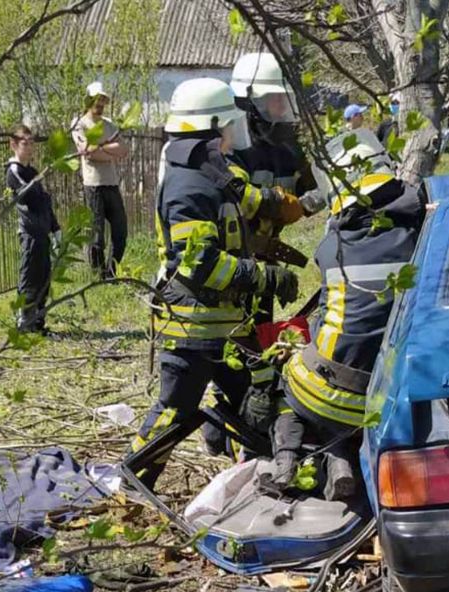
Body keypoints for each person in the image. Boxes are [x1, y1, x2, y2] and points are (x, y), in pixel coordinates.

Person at [130, 78, 301, 489]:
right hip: (194, 330)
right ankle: (131, 486)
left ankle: (264, 478)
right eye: (227, 126)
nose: (232, 134)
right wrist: (265, 277)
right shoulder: (188, 185)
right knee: (174, 412)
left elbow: (246, 205)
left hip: (226, 326)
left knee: (257, 399)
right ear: (210, 127)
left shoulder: (212, 171)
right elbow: (199, 264)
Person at [266, 129, 426, 501]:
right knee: (339, 398)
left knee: (286, 387)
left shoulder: (334, 246)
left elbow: (332, 314)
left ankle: (287, 459)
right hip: (386, 391)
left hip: (334, 392)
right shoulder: (422, 235)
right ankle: (341, 459)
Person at [230, 52, 323, 326]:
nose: (282, 107)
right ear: (250, 102)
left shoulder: (288, 147)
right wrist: (279, 204)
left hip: (266, 261)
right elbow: (235, 198)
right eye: (274, 98)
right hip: (231, 264)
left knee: (260, 334)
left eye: (285, 98)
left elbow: (321, 187)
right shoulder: (229, 147)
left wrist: (304, 204)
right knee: (233, 336)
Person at [6, 124, 60, 335]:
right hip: (30, 234)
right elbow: (29, 197)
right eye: (25, 144)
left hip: (43, 233)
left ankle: (38, 323)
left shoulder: (34, 172)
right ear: (13, 145)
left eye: (32, 144)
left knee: (43, 279)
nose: (29, 148)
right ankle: (24, 322)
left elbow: (45, 203)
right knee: (29, 278)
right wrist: (42, 193)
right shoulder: (13, 171)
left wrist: (55, 229)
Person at [72, 81, 129, 279]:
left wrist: (101, 148)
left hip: (111, 183)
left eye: (102, 100)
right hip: (93, 185)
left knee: (120, 231)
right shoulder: (79, 124)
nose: (100, 103)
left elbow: (123, 149)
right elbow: (87, 152)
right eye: (96, 99)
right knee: (97, 236)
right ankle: (97, 276)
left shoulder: (109, 125)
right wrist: (109, 151)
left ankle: (111, 273)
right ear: (88, 100)